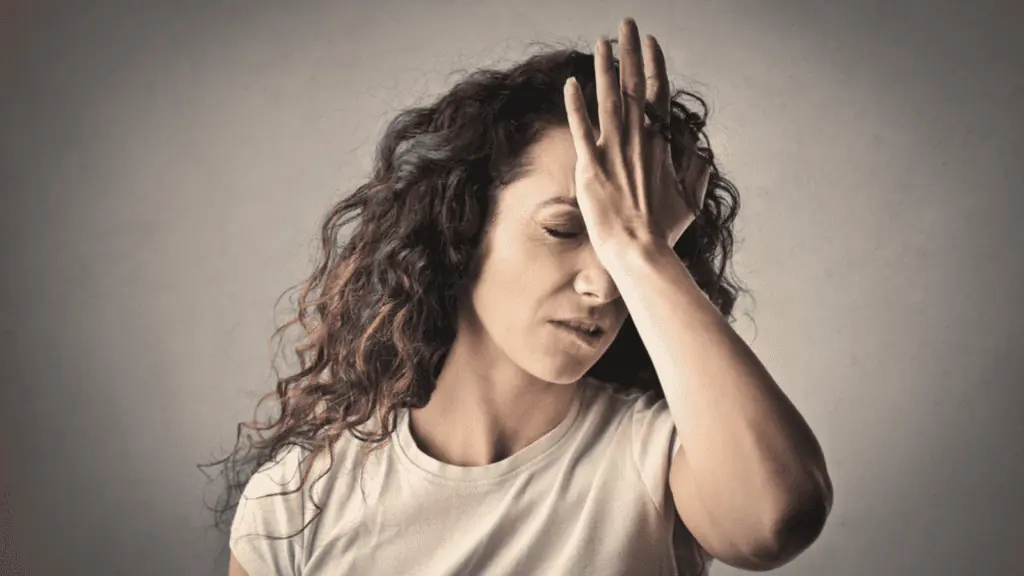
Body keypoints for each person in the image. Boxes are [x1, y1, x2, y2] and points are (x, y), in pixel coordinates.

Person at [199, 17, 833, 576]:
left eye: (625, 247)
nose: (603, 283)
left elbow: (776, 521)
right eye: (563, 229)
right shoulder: (298, 501)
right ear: (464, 225)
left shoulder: (658, 457)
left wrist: (645, 252)